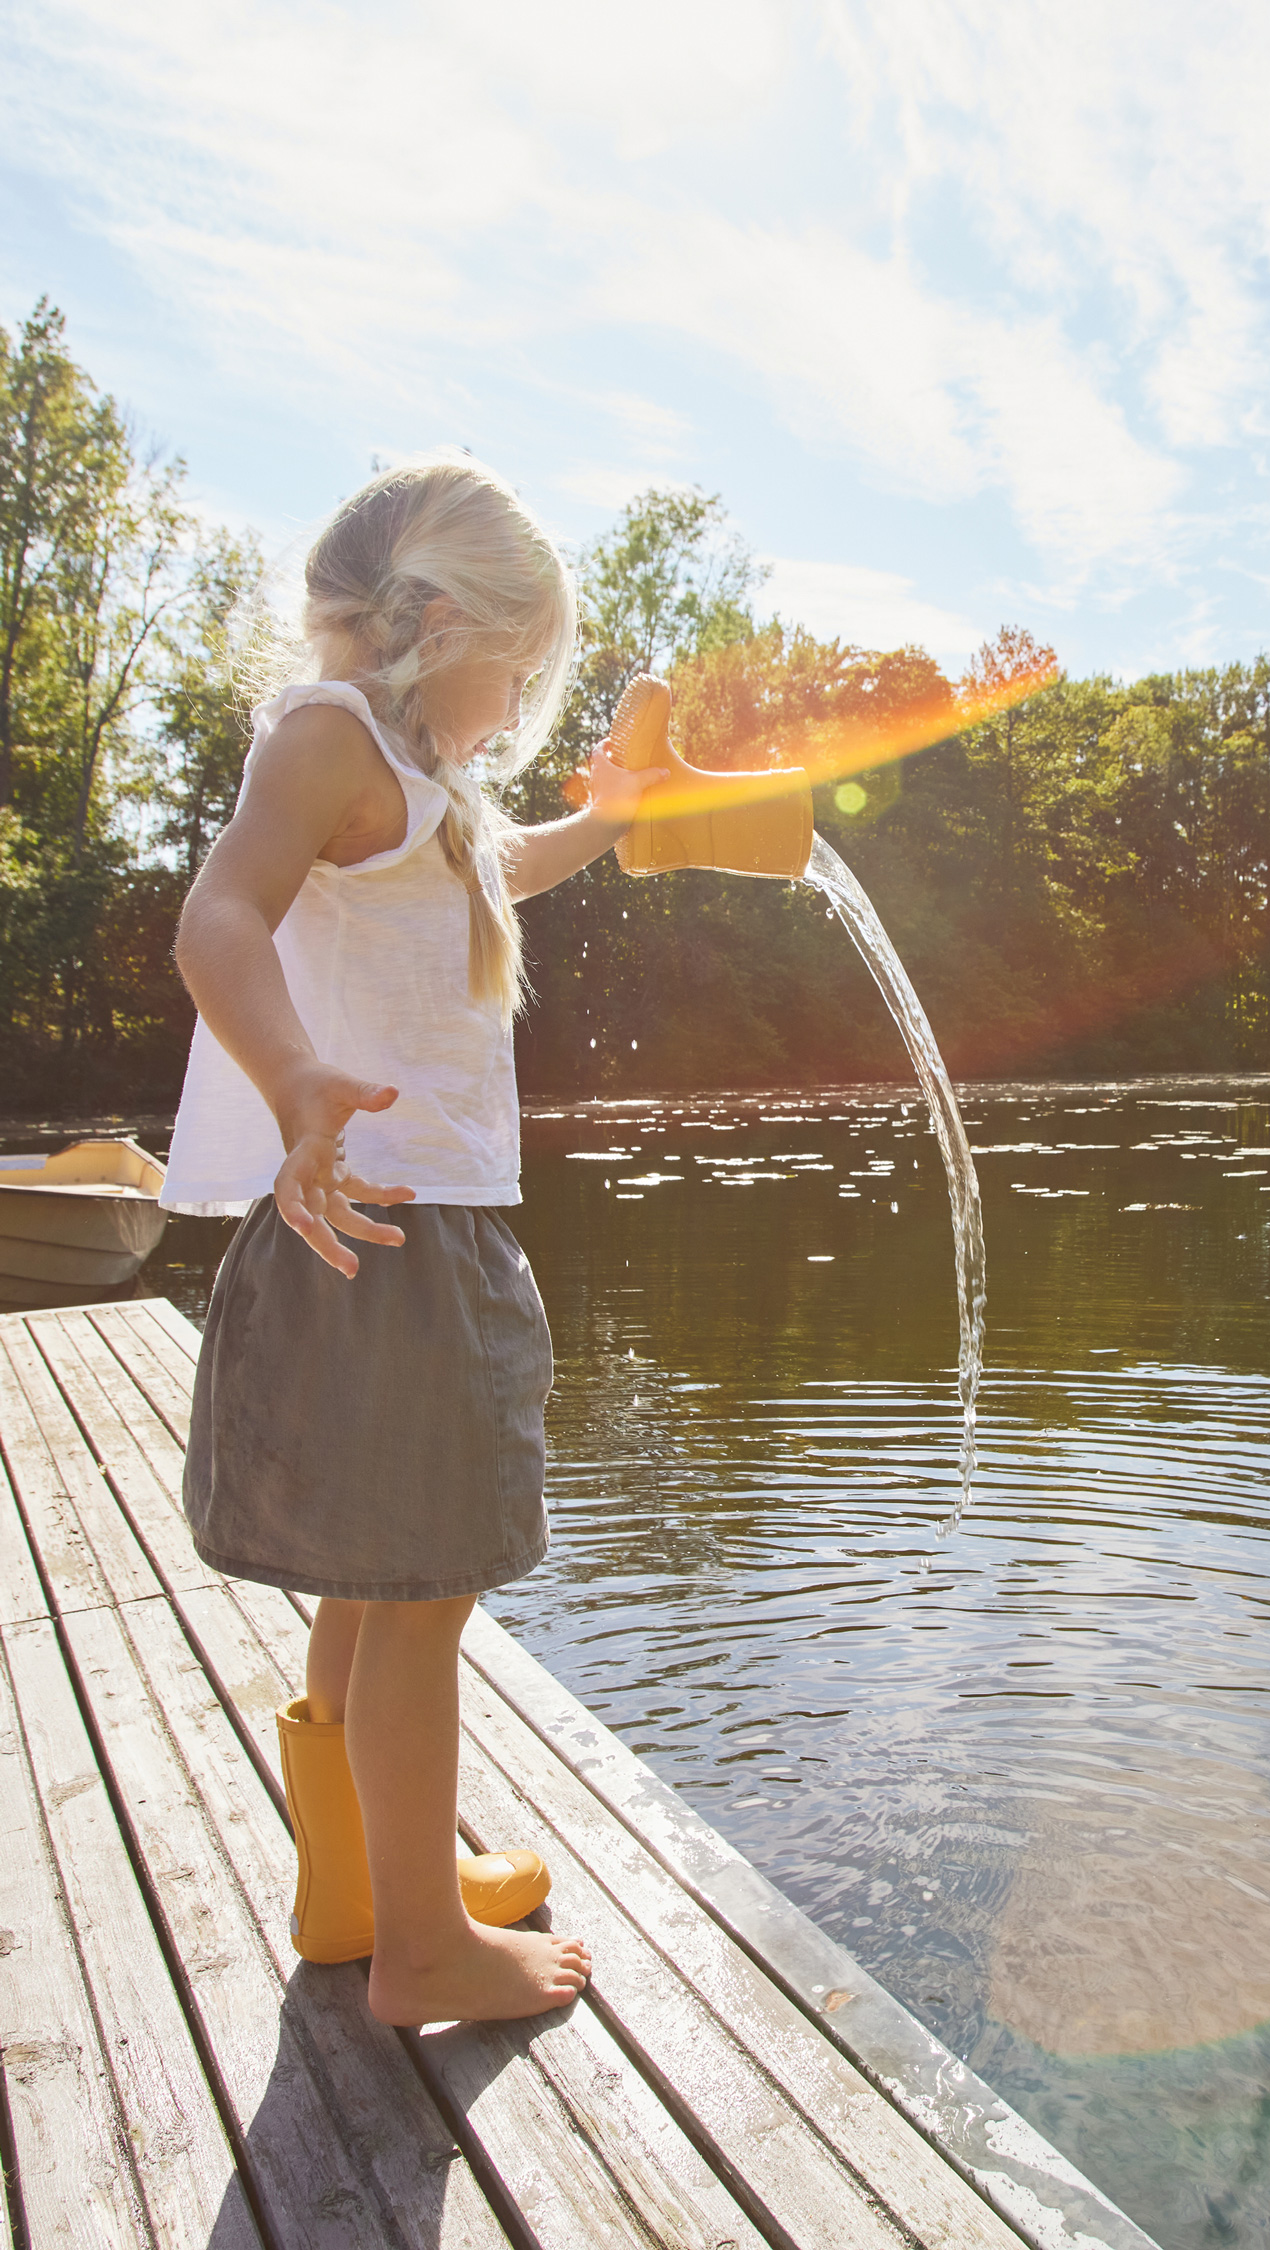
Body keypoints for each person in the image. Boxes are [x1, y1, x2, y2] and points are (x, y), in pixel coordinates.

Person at [164, 454, 665, 2026]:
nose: (515, 711)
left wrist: (604, 813)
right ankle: (426, 1946)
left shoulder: (412, 784)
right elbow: (218, 917)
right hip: (394, 1225)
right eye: (515, 673)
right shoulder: (326, 738)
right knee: (429, 1599)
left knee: (374, 1586)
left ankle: (362, 1889)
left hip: (394, 1226)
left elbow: (491, 869)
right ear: (436, 620)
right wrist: (292, 1070)